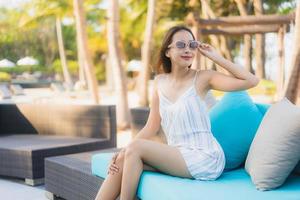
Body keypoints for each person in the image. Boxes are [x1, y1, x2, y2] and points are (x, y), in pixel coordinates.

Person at [95, 25, 259, 200]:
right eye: (181, 45)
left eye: (192, 45)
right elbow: (151, 126)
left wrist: (216, 57)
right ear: (168, 52)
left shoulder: (203, 78)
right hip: (178, 153)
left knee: (135, 148)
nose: (188, 50)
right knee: (122, 159)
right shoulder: (159, 82)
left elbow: (251, 80)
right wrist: (122, 151)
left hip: (205, 156)